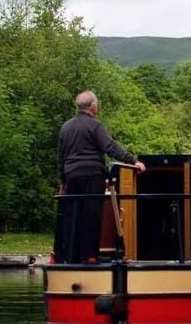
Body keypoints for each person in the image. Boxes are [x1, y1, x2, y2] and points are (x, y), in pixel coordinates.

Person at [56, 90, 146, 263]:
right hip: (92, 174)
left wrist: (63, 181)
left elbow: (61, 156)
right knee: (92, 215)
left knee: (74, 215)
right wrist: (132, 160)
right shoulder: (95, 126)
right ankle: (90, 255)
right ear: (93, 107)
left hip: (71, 175)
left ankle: (71, 255)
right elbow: (110, 147)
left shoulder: (65, 127)